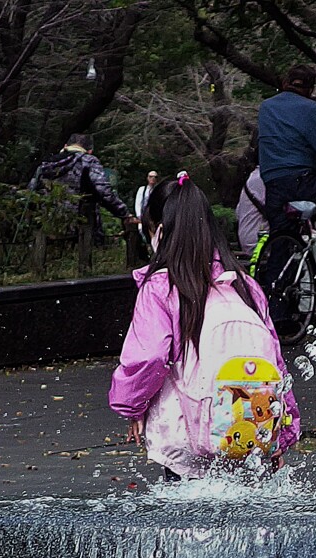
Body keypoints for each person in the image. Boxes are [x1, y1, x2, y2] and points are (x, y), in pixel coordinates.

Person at [109, 172, 301, 480]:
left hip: (187, 441)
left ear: (158, 231)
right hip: (250, 433)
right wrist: (283, 433)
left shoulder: (161, 287)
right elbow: (276, 364)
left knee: (185, 523)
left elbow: (149, 358)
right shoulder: (245, 286)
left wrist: (131, 406)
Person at [258, 65, 316, 242]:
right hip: (302, 183)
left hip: (273, 186)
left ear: (286, 82)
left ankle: (282, 267)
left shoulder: (266, 107)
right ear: (310, 89)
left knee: (282, 242)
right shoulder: (309, 108)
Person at [29, 133, 137, 240]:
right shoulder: (89, 161)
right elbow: (104, 192)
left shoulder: (46, 163)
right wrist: (124, 214)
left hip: (45, 225)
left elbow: (31, 191)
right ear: (90, 151)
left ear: (65, 146)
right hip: (80, 227)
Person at [236, 165, 268, 257]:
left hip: (245, 239)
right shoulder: (264, 178)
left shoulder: (251, 179)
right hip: (259, 241)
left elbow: (238, 213)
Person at [134, 170, 158, 237]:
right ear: (147, 178)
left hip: (155, 216)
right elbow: (138, 203)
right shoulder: (142, 189)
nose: (153, 178)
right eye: (151, 176)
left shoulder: (158, 190)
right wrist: (139, 216)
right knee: (141, 229)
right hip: (144, 215)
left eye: (155, 177)